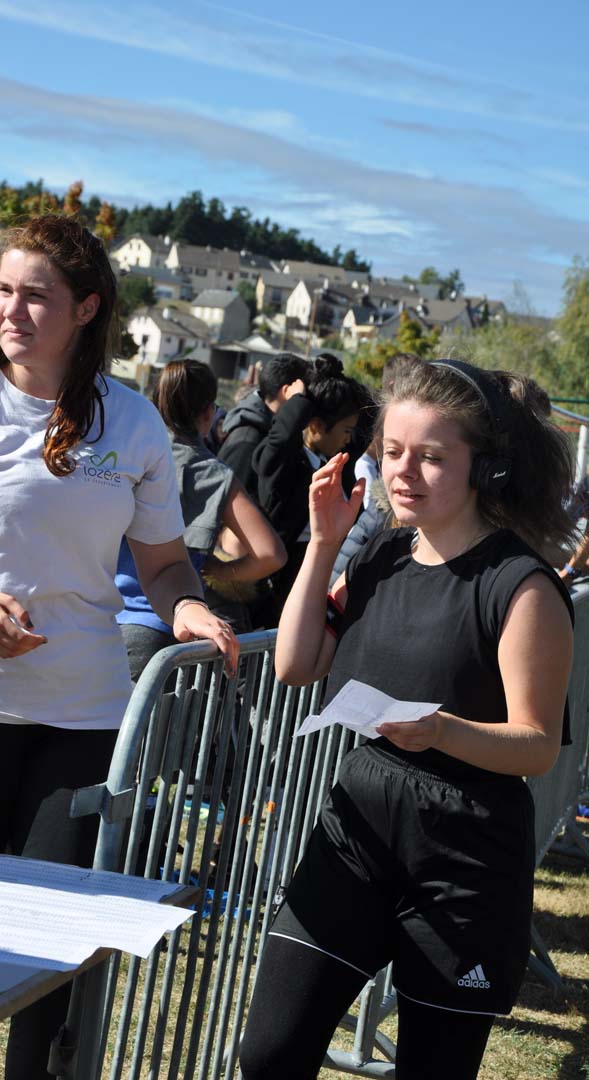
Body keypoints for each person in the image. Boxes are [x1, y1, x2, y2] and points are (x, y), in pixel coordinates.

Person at [0, 215, 238, 1080]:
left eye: (36, 294)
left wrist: (184, 608)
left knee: (54, 949)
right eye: (3, 290)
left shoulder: (135, 424)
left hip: (81, 718)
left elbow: (161, 562)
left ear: (86, 308)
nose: (11, 309)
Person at [239, 357, 576, 1080]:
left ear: (483, 468)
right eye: (391, 452)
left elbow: (536, 746)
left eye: (429, 458)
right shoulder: (383, 553)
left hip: (465, 856)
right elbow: (295, 665)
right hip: (357, 824)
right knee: (268, 1053)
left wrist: (442, 731)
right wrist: (325, 541)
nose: (403, 473)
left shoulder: (521, 589)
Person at [116, 358, 286, 678]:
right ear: (209, 413)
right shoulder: (215, 475)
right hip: (164, 629)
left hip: (98, 621)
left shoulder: (130, 454)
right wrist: (221, 570)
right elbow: (271, 554)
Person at [252, 354, 371, 612]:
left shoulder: (337, 463)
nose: (349, 440)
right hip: (279, 589)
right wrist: (298, 401)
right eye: (346, 431)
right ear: (316, 427)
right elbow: (277, 445)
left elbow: (369, 417)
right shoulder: (287, 466)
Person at [218, 352, 309, 499]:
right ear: (287, 391)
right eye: (303, 395)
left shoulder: (264, 430)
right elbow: (230, 504)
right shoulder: (247, 441)